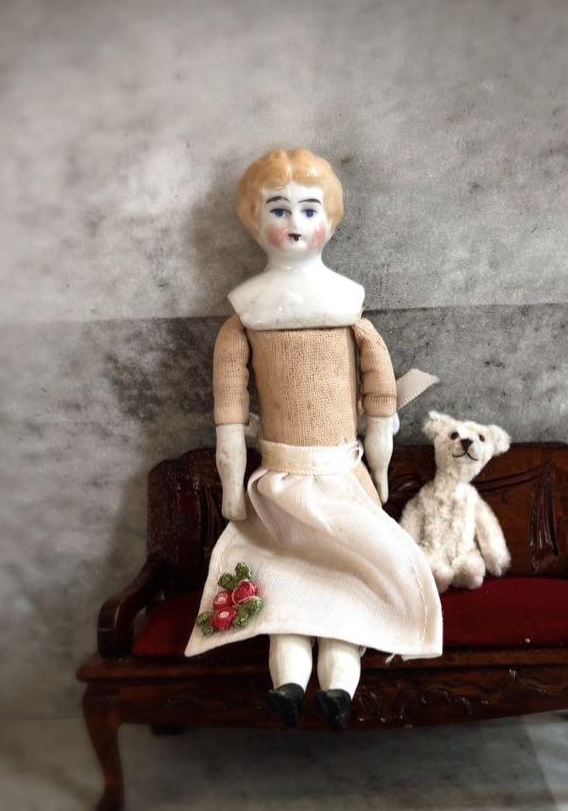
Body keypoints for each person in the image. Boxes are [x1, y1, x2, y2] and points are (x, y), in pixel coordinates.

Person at [183, 148, 442, 731]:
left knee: (349, 592)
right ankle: (289, 684)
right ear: (255, 221)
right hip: (279, 485)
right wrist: (233, 486)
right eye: (279, 210)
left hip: (341, 479)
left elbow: (380, 401)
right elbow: (229, 414)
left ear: (331, 218)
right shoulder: (245, 315)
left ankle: (338, 691)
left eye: (309, 209)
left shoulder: (348, 307)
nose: (295, 223)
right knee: (284, 598)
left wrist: (379, 468)